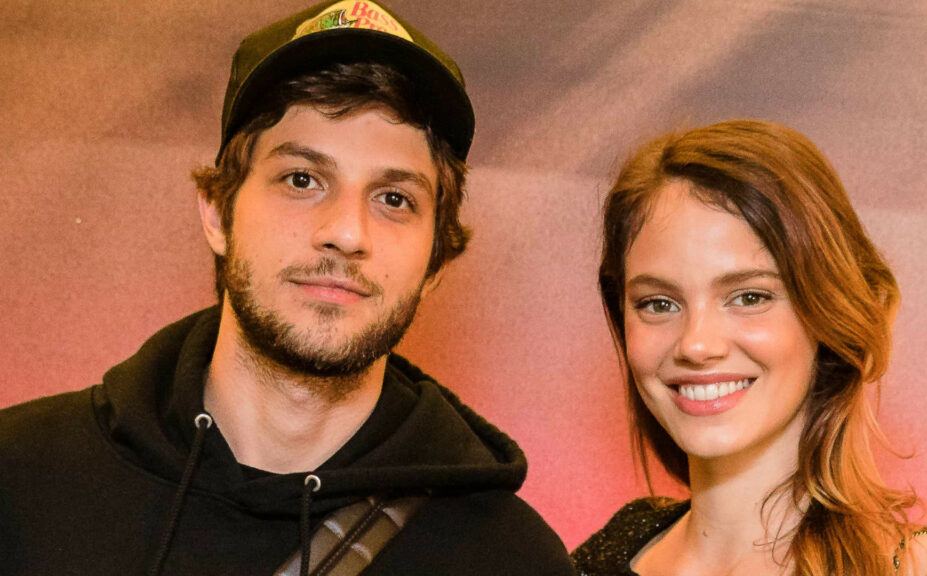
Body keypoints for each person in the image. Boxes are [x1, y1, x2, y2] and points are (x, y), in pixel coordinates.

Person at [0, 2, 574, 575]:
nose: (346, 233)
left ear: (436, 262)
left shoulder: (512, 560)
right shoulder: (20, 479)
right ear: (217, 212)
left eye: (394, 199)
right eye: (302, 179)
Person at [571, 120, 927, 576]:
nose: (696, 344)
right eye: (658, 303)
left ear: (828, 312)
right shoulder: (595, 562)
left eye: (749, 297)